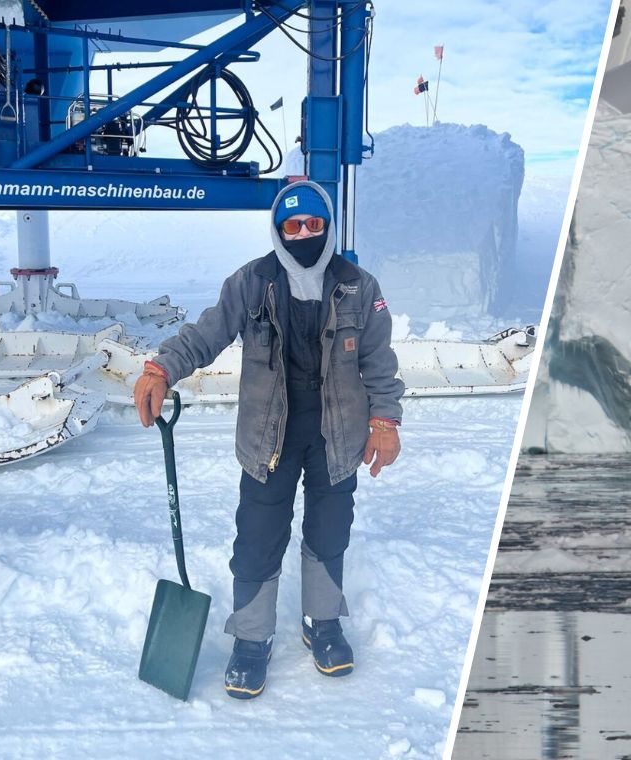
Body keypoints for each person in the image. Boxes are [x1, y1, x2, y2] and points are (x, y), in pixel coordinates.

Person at [133, 179, 405, 699]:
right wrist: (161, 368)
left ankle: (322, 623)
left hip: (337, 435)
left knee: (330, 531)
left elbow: (379, 361)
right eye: (293, 225)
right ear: (279, 230)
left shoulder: (358, 286)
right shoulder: (251, 282)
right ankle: (251, 639)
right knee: (258, 535)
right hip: (268, 434)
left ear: (327, 226)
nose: (304, 234)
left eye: (314, 224)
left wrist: (385, 422)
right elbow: (207, 333)